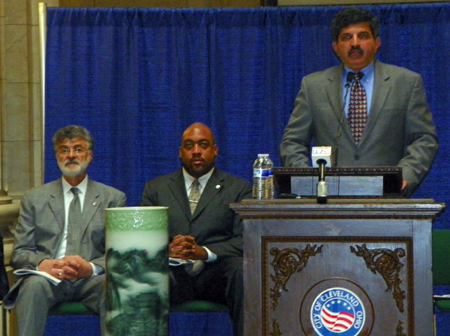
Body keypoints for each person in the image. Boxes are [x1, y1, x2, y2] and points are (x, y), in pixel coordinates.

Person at [279, 7, 438, 197]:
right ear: (336, 47)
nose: (355, 43)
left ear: (376, 43)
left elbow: (423, 139)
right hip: (327, 199)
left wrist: (406, 176)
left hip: (387, 198)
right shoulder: (313, 85)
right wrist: (308, 179)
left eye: (362, 36)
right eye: (346, 38)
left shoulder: (406, 82)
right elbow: (292, 141)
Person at [3, 125, 126, 336]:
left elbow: (118, 254)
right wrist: (43, 264)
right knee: (31, 288)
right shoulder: (34, 198)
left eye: (78, 149)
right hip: (48, 279)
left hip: (92, 280)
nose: (71, 155)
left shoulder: (113, 198)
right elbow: (20, 253)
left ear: (90, 155)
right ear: (57, 156)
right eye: (64, 150)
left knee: (117, 289)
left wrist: (90, 268)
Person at [140, 122, 252, 336]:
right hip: (173, 275)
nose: (196, 151)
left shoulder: (239, 189)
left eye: (203, 145)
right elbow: (145, 241)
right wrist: (168, 250)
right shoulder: (156, 189)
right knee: (144, 274)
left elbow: (244, 240)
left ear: (215, 150)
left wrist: (205, 252)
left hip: (216, 275)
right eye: (189, 146)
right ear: (180, 152)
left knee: (242, 271)